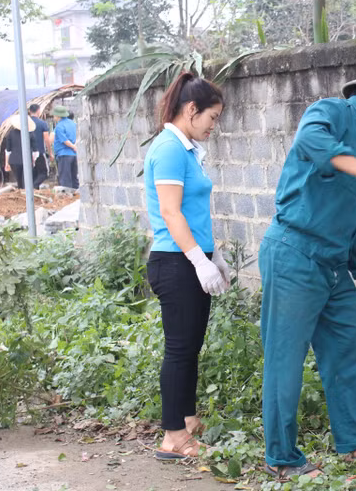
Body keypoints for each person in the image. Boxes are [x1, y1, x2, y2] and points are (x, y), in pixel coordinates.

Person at [259, 67, 356, 479]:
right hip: (295, 254)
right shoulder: (332, 112)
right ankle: (282, 457)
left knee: (351, 343)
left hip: (330, 266)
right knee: (285, 359)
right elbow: (310, 141)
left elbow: (351, 224)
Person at [143, 72, 231, 460]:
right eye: (212, 117)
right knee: (179, 350)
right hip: (176, 262)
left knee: (189, 348)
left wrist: (214, 256)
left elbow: (194, 212)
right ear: (191, 110)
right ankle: (173, 437)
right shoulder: (169, 149)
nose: (214, 126)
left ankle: (187, 419)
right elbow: (169, 211)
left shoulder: (186, 149)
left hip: (191, 259)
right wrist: (199, 260)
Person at [3, 114, 37, 190]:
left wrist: (6, 163)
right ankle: (26, 194)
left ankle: (20, 191)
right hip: (27, 160)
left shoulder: (10, 134)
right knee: (26, 180)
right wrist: (33, 161)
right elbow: (35, 151)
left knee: (19, 180)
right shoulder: (31, 134)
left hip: (14, 160)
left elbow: (8, 150)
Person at [51, 105, 79, 190]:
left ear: (58, 116)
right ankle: (76, 195)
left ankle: (68, 196)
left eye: (54, 115)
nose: (53, 117)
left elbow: (64, 140)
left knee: (65, 178)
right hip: (74, 155)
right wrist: (75, 147)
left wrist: (73, 146)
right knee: (74, 176)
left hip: (64, 154)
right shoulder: (73, 124)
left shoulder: (59, 126)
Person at [29, 104, 50, 188]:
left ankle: (33, 190)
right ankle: (35, 186)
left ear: (29, 111)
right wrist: (50, 152)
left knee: (33, 173)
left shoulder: (24, 123)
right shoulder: (42, 123)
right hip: (39, 152)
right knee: (44, 172)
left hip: (28, 153)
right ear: (38, 111)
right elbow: (46, 139)